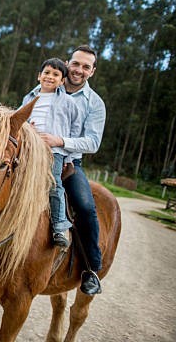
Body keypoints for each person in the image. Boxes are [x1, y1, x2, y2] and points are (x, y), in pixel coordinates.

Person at [36, 45, 106, 295]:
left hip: (69, 161)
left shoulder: (94, 103)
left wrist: (60, 143)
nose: (79, 70)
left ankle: (90, 269)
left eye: (86, 67)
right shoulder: (42, 88)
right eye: (76, 64)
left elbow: (92, 142)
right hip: (33, 155)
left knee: (85, 206)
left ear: (92, 71)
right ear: (68, 63)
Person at [22, 58, 82, 249]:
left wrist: (69, 157)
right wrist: (25, 128)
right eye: (47, 72)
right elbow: (18, 120)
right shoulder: (29, 98)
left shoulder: (68, 102)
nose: (50, 77)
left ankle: (59, 226)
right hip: (29, 148)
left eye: (56, 74)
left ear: (62, 80)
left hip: (53, 151)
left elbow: (75, 132)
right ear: (39, 76)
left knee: (53, 184)